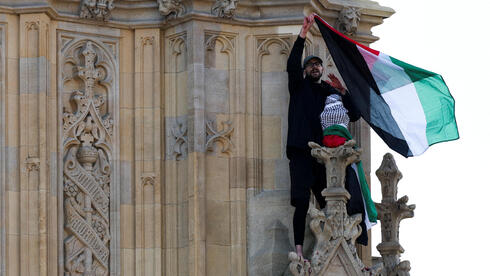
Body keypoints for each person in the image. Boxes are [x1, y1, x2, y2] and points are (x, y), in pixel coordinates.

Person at [286, 14, 364, 259]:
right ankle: (298, 250)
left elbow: (354, 114)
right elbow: (291, 65)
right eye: (310, 65)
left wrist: (343, 91)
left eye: (318, 65)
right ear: (305, 69)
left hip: (325, 156)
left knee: (330, 202)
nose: (315, 67)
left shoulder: (328, 91)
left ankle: (337, 250)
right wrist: (303, 34)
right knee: (300, 202)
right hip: (301, 150)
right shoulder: (298, 87)